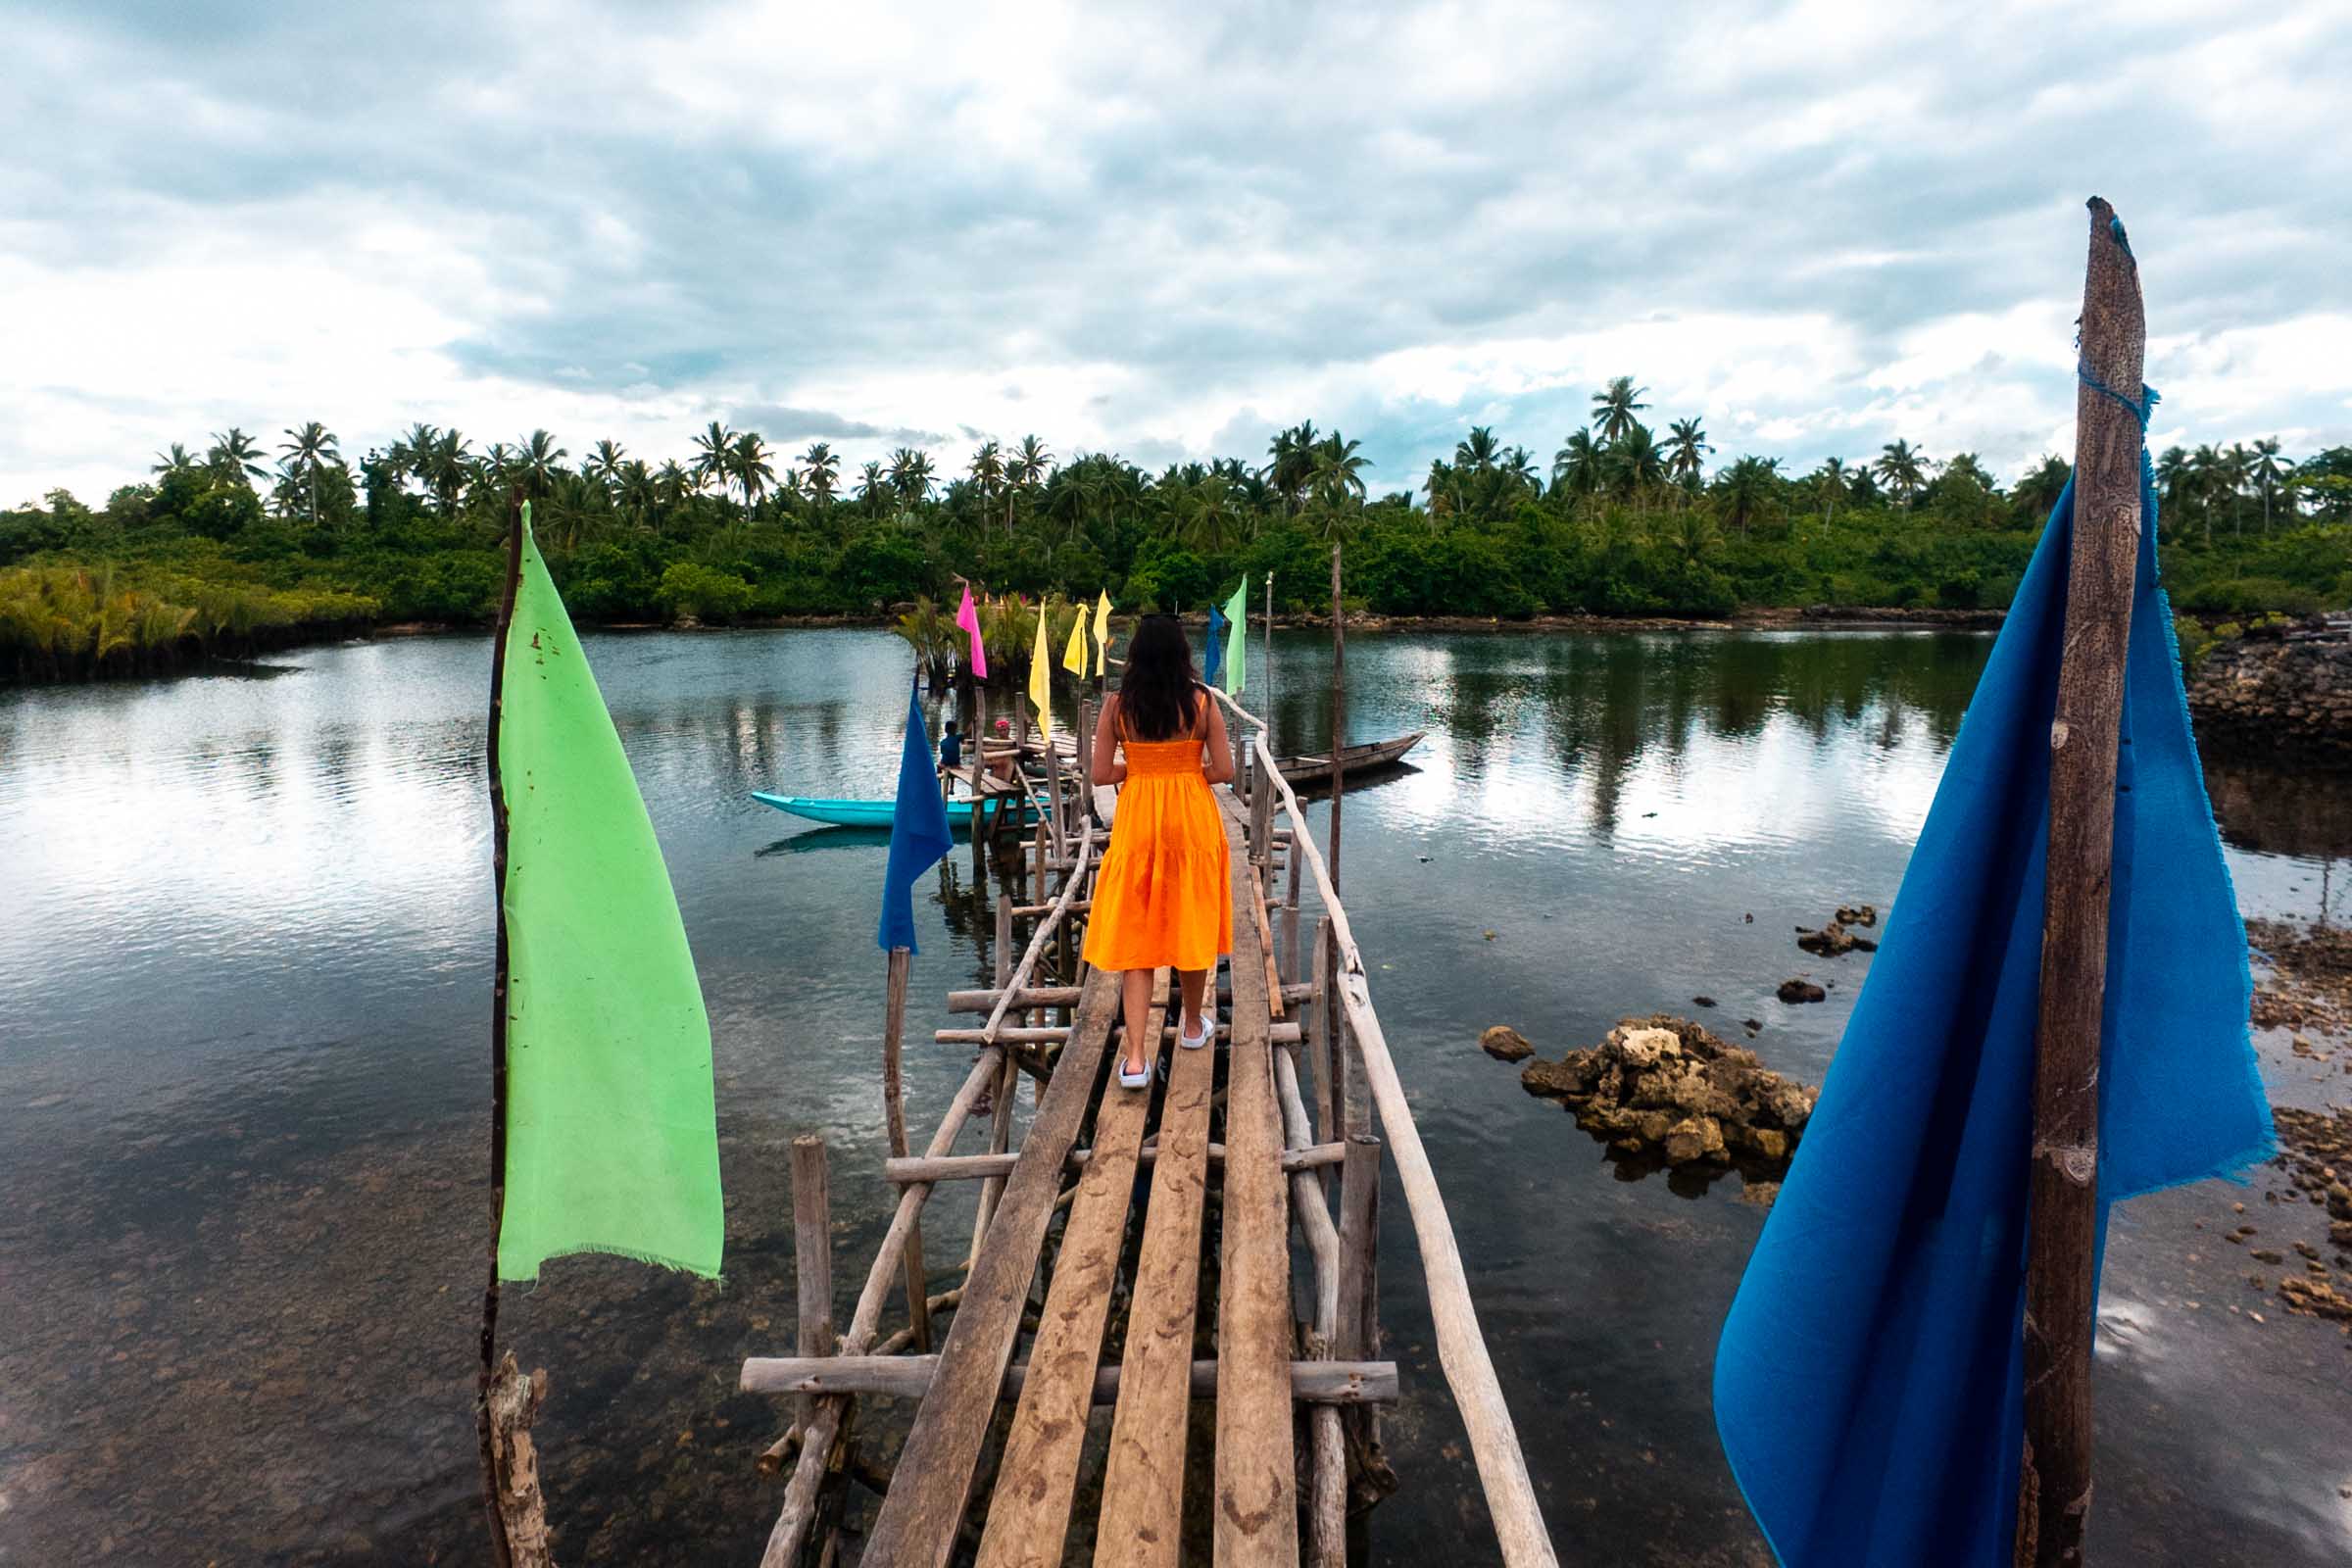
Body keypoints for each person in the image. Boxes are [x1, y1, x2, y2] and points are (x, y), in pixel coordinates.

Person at [1081, 612, 1235, 1088]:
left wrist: (1140, 770)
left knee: (1137, 938)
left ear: (1135, 655)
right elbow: (1225, 770)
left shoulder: (1116, 706)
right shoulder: (1202, 702)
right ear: (1182, 654)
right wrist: (1186, 772)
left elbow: (1101, 775)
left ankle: (1134, 1060)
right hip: (1191, 821)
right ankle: (1192, 1027)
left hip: (1139, 824)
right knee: (1190, 918)